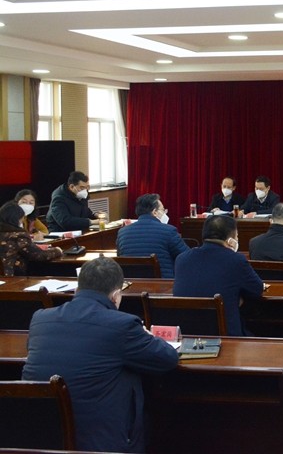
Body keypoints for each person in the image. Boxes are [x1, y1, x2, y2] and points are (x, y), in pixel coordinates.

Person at [22, 257, 179, 453]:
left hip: (42, 439)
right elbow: (167, 359)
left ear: (77, 289)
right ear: (115, 296)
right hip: (102, 443)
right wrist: (146, 336)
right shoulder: (122, 325)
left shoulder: (40, 319)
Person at [173, 215, 264, 336]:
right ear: (231, 240)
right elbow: (257, 289)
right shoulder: (236, 260)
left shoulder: (181, 259)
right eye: (237, 236)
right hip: (226, 336)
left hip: (187, 334)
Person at [116, 193, 188, 278]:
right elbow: (187, 256)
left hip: (132, 283)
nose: (165, 213)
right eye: (163, 210)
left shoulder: (122, 232)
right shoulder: (169, 231)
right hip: (163, 283)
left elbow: (120, 257)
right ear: (155, 212)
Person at [0, 201, 63, 276]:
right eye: (22, 218)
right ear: (16, 218)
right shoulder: (18, 236)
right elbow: (38, 255)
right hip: (13, 278)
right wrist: (57, 250)